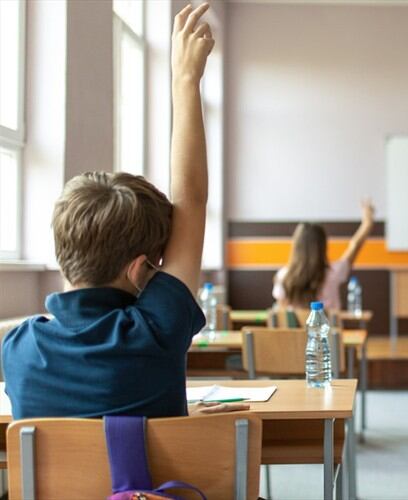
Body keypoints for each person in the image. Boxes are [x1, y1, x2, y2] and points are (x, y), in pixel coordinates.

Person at [2, 4, 245, 419]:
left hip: (55, 489)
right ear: (138, 268)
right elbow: (192, 200)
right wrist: (185, 79)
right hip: (153, 487)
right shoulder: (155, 329)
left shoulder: (19, 347)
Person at [273, 200, 375, 310]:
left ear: (296, 247)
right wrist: (367, 223)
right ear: (323, 247)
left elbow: (281, 314)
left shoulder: (283, 276)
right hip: (329, 327)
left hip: (297, 328)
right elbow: (355, 246)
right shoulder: (333, 273)